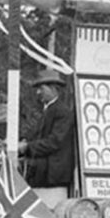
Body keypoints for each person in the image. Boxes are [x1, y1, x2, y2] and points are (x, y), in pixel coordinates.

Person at [18, 69, 76, 207]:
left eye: (41, 88)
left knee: (51, 213)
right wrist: (23, 140)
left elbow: (54, 142)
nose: (38, 92)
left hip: (53, 178)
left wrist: (26, 147)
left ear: (53, 89)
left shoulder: (62, 112)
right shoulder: (49, 110)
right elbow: (37, 135)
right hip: (43, 176)